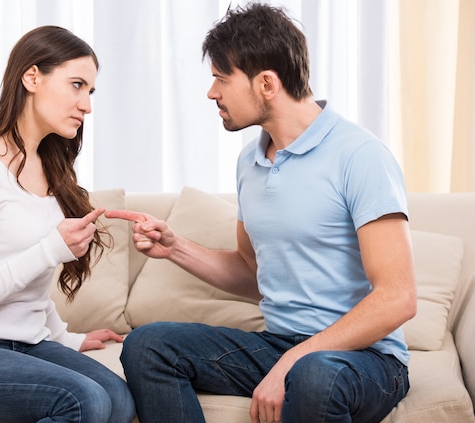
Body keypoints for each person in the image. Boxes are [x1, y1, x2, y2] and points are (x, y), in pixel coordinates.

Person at [106, 3, 416, 423]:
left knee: (314, 376)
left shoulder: (360, 156)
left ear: (266, 83)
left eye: (220, 78)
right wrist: (175, 248)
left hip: (365, 359)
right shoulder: (249, 162)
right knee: (148, 345)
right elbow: (253, 273)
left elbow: (397, 298)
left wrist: (294, 361)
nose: (211, 93)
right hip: (280, 343)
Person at [0, 26, 135, 423]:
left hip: (26, 343)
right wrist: (51, 248)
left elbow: (27, 289)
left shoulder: (51, 167)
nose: (86, 105)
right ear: (32, 78)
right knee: (87, 401)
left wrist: (68, 338)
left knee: (118, 400)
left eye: (90, 91)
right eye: (76, 85)